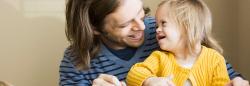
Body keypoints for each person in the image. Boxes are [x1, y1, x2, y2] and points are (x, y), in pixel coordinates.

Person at [59, 0, 249, 85]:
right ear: (95, 27)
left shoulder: (165, 31)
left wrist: (238, 82)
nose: (142, 26)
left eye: (142, 13)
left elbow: (224, 75)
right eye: (126, 24)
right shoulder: (76, 62)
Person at [126, 0, 230, 85]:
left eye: (163, 23)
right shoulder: (159, 58)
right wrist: (149, 81)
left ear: (187, 26)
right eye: (157, 25)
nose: (157, 30)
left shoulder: (215, 60)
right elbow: (134, 73)